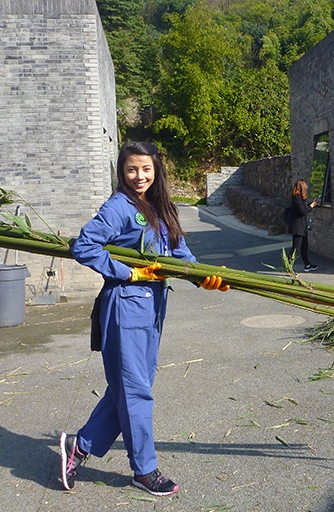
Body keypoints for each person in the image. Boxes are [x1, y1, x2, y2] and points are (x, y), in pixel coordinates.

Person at [59, 141, 228, 496]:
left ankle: (81, 445)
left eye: (146, 169)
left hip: (152, 309)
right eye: (132, 169)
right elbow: (84, 246)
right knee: (135, 391)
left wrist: (205, 277)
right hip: (125, 306)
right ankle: (144, 470)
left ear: (156, 171)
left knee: (130, 388)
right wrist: (129, 273)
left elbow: (179, 255)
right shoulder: (119, 207)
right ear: (122, 171)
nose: (139, 176)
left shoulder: (159, 207)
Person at [287, 179, 318, 272]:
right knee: (295, 248)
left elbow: (303, 208)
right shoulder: (297, 198)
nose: (307, 188)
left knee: (304, 246)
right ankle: (288, 266)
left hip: (302, 226)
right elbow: (303, 211)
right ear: (302, 187)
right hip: (298, 227)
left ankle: (307, 265)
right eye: (306, 186)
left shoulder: (299, 198)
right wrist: (311, 206)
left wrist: (310, 204)